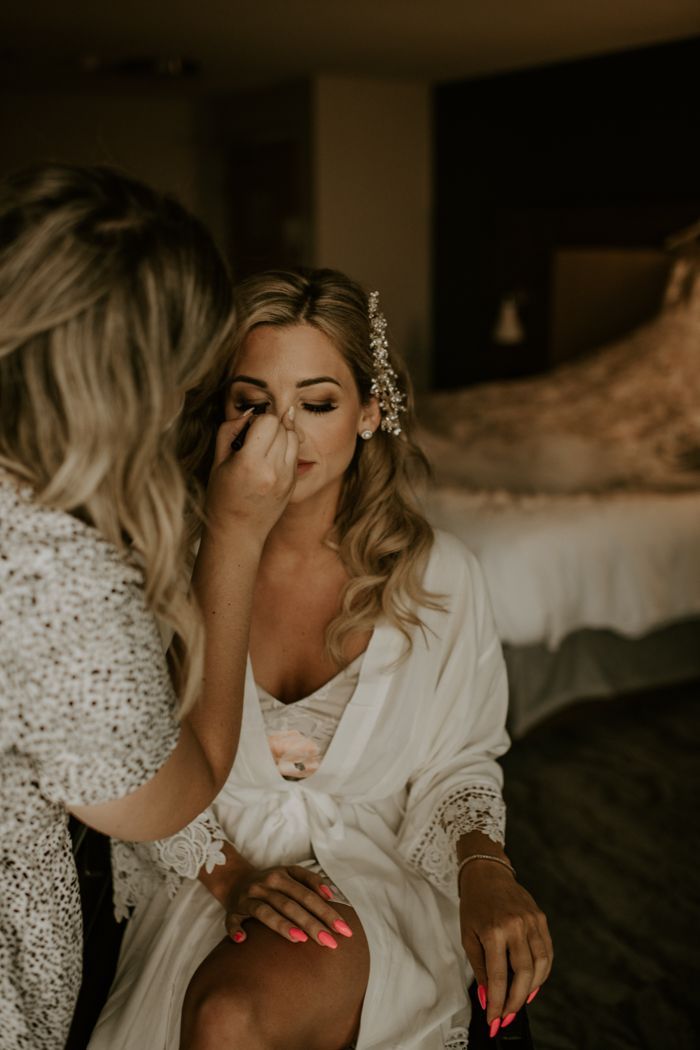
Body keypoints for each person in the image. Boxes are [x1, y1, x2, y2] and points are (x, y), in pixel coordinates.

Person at [89, 268, 553, 1050]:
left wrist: (486, 868)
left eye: (317, 403)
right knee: (220, 1017)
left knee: (232, 1018)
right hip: (206, 875)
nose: (284, 434)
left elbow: (459, 762)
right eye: (254, 402)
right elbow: (132, 756)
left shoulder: (442, 577)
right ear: (222, 414)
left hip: (375, 874)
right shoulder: (167, 565)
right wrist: (231, 876)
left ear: (370, 412)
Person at [0, 165, 298, 1050]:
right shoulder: (55, 576)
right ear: (133, 381)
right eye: (193, 380)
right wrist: (235, 536)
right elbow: (181, 784)